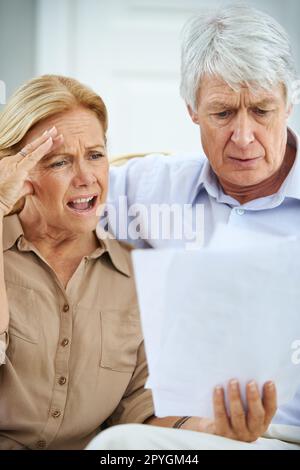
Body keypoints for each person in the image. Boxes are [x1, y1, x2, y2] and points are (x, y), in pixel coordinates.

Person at [87, 4, 300, 450]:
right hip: (182, 428)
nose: (243, 137)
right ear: (192, 110)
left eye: (262, 110)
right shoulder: (152, 188)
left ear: (290, 101)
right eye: (223, 114)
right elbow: (50, 201)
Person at [0, 75, 155, 450]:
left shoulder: (136, 274)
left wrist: (211, 426)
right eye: (59, 162)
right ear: (18, 170)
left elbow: (140, 408)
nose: (87, 178)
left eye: (96, 155)